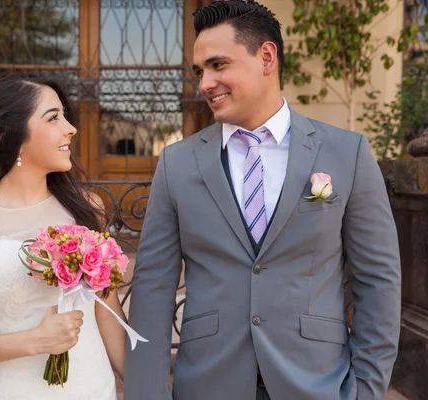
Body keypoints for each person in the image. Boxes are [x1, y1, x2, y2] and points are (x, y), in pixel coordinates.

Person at [124, 1, 401, 399]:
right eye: (199, 72)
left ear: (266, 57)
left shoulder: (347, 153)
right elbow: (152, 289)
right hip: (208, 384)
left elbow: (378, 281)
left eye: (218, 65)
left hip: (317, 384)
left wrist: (367, 389)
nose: (204, 83)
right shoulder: (177, 163)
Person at [0, 76, 126, 399]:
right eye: (53, 117)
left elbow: (106, 313)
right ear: (8, 134)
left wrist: (147, 387)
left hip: (93, 386)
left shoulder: (88, 209)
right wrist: (34, 340)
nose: (70, 128)